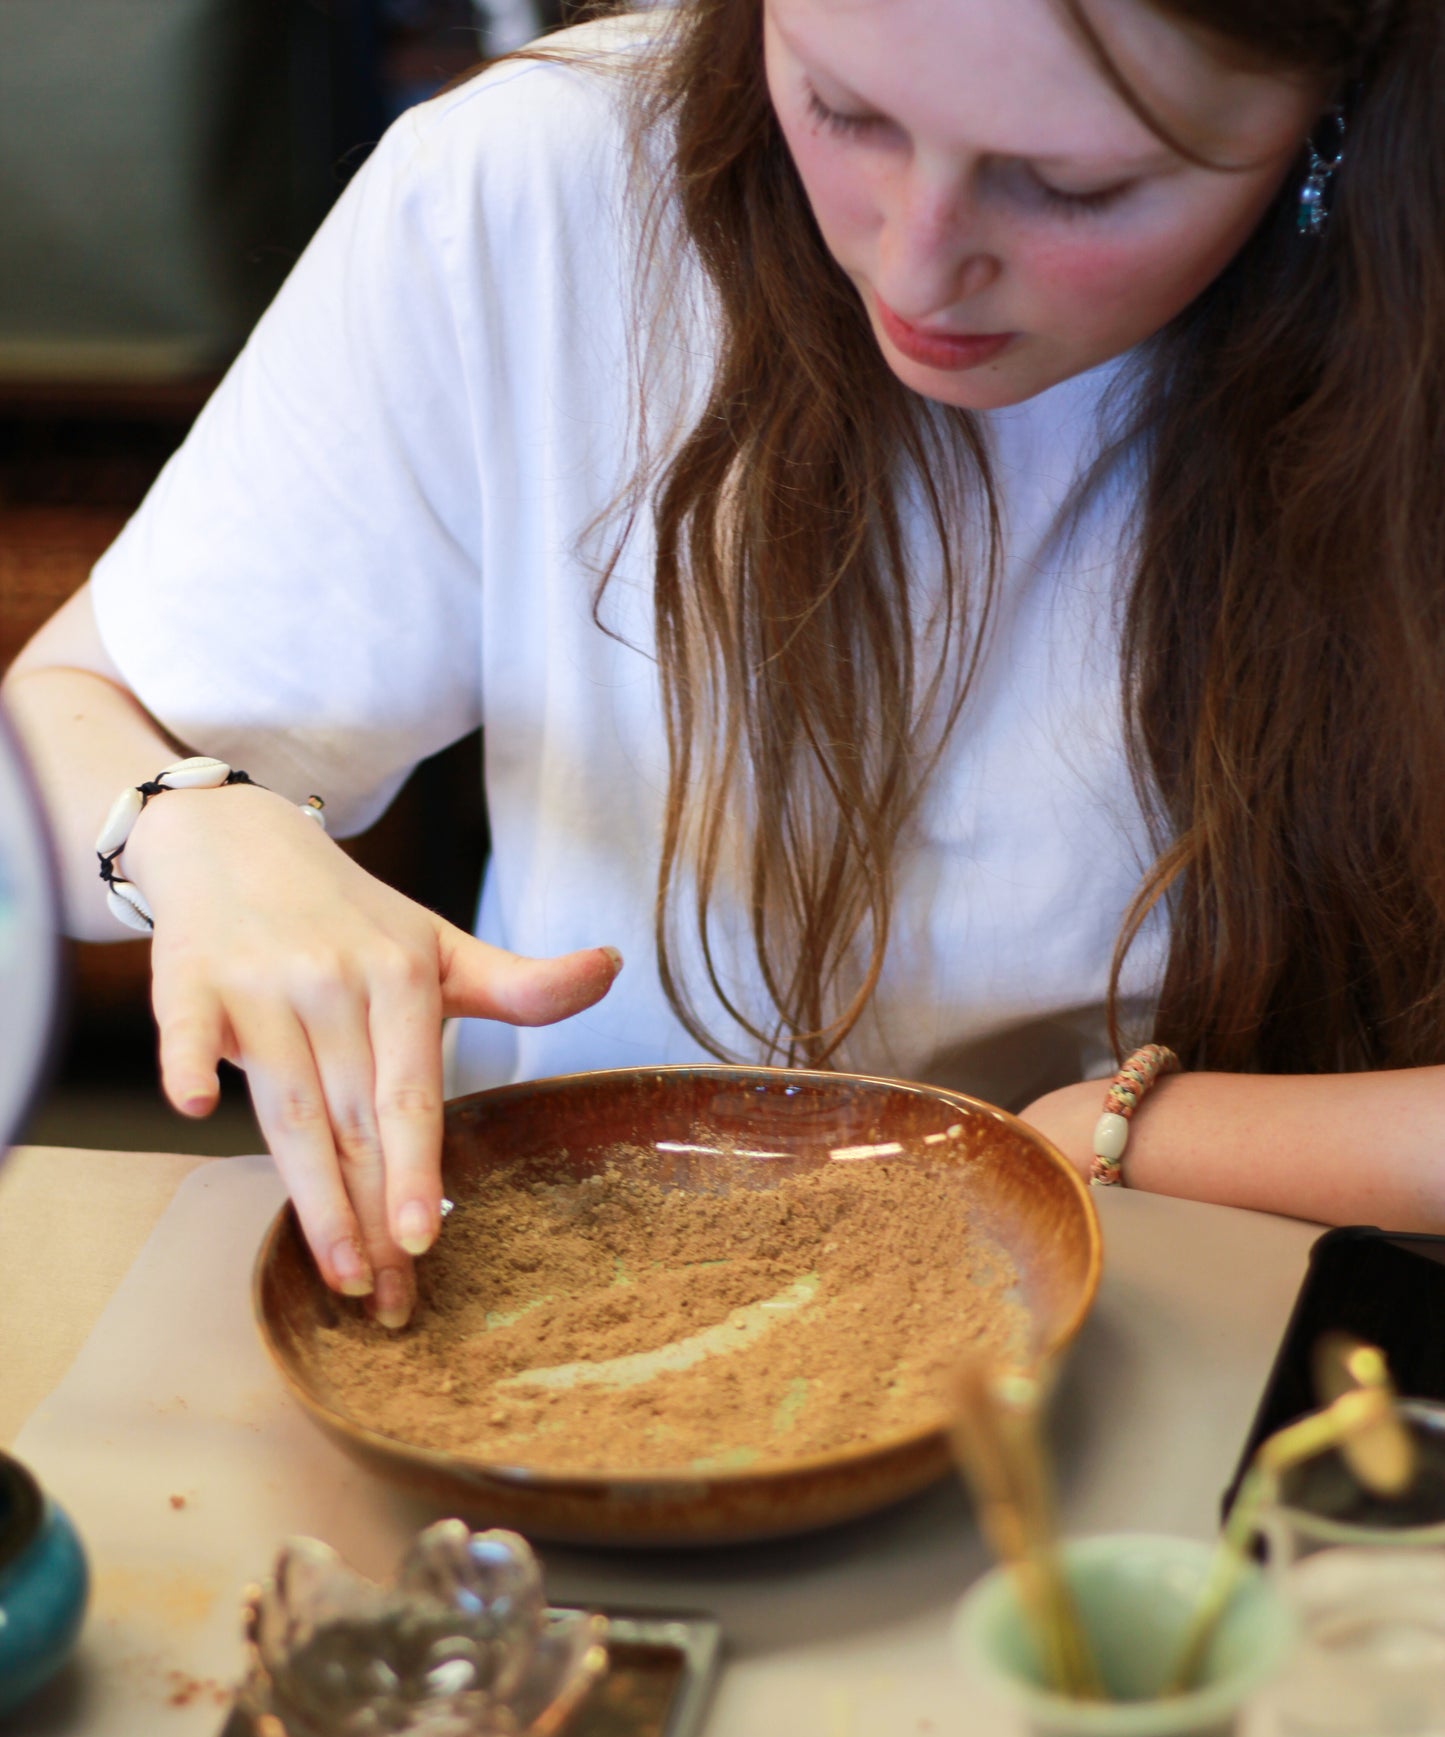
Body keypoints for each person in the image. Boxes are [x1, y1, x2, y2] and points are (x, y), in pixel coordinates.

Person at [6, 0, 1444, 1332]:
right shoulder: (542, 189)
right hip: (589, 1319)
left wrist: (1122, 1137)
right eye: (843, 111)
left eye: (1072, 187)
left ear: (1332, 103)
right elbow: (64, 725)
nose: (913, 255)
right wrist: (198, 834)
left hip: (1248, 1333)